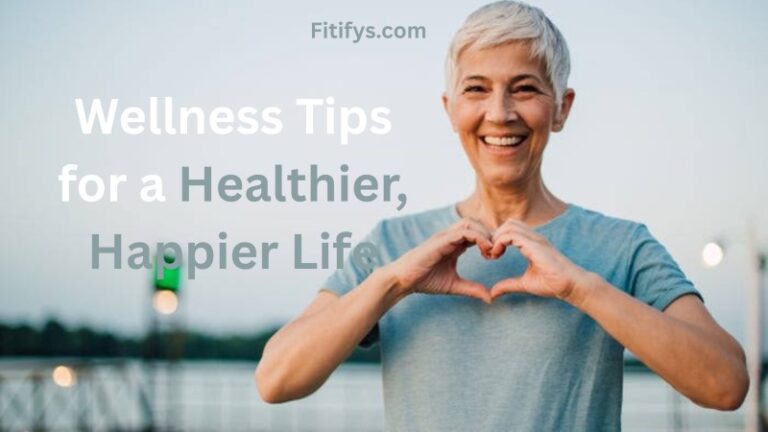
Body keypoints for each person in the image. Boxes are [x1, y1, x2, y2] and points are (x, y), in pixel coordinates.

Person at [255, 1, 749, 430]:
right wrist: (394, 283)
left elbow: (725, 385)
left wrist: (582, 288)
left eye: (525, 88)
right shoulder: (392, 243)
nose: (500, 112)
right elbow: (275, 379)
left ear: (561, 108)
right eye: (476, 89)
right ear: (450, 110)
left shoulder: (623, 246)